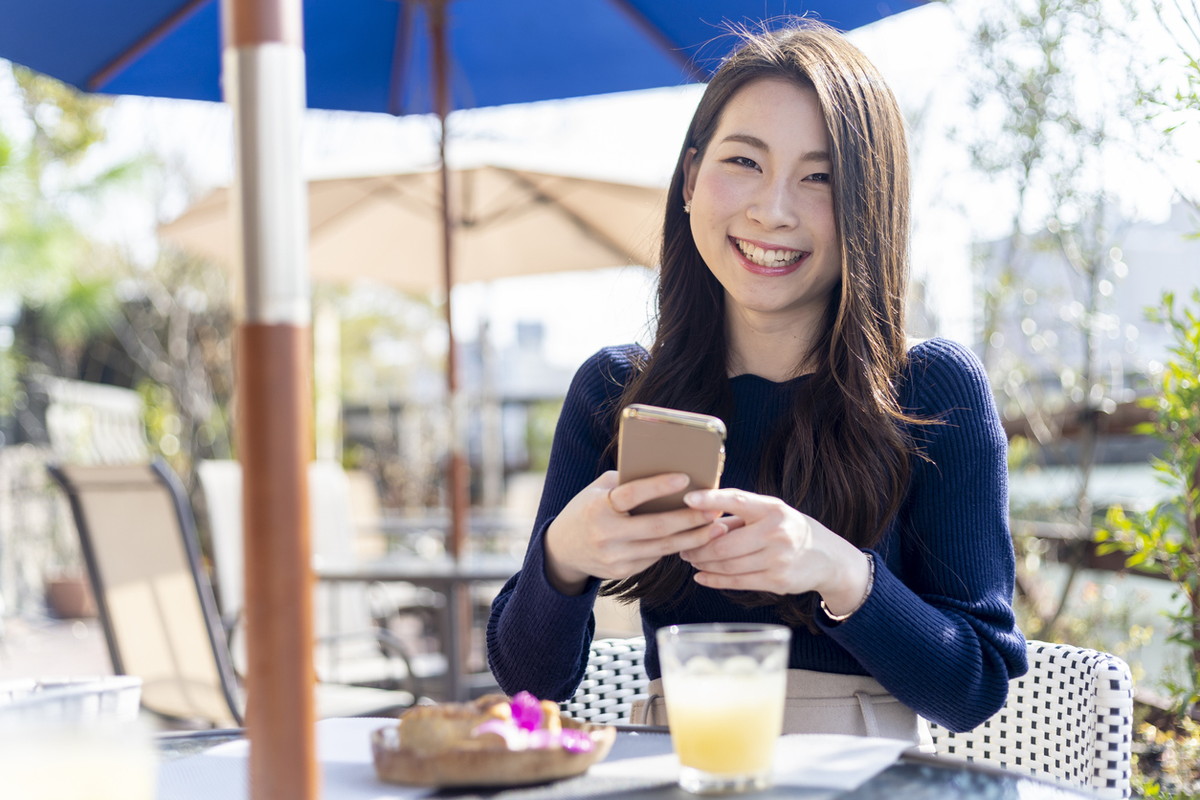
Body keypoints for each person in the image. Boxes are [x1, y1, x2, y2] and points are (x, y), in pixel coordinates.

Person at [486, 19, 1027, 743]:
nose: (773, 210)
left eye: (821, 177)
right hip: (675, 766)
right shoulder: (614, 392)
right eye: (744, 162)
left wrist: (836, 570)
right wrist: (564, 556)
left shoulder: (931, 390)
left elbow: (976, 685)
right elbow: (528, 683)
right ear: (690, 179)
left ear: (871, 208)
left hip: (859, 778)